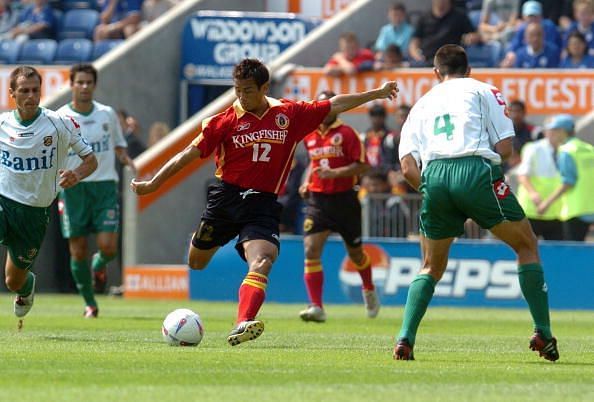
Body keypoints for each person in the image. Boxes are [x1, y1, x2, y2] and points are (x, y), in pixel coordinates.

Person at [131, 58, 398, 346]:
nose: (242, 97)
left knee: (262, 260)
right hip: (225, 200)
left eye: (248, 90)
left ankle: (243, 321)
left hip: (262, 204)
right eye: (237, 90)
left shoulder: (289, 114)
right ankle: (217, 249)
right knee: (196, 263)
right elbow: (187, 155)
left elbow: (334, 104)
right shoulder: (222, 122)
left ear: (264, 87)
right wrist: (154, 183)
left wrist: (377, 93)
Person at [395, 44, 558, 362]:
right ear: (469, 69)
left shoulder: (422, 103)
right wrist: (482, 182)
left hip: (436, 176)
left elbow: (406, 168)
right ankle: (543, 332)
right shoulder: (484, 90)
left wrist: (433, 191)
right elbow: (506, 148)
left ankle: (405, 337)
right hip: (475, 169)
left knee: (430, 266)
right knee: (526, 246)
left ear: (435, 73)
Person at [1, 66, 97, 321]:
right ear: (12, 93)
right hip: (3, 201)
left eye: (35, 90)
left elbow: (90, 160)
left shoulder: (59, 124)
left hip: (34, 212)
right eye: (24, 91)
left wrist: (76, 174)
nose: (31, 96)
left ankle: (26, 287)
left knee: (13, 280)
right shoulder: (2, 123)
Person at [57, 64, 136, 318]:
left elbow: (118, 145)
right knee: (77, 249)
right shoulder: (60, 118)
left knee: (108, 247)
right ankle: (90, 303)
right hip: (73, 189)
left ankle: (99, 264)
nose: (84, 87)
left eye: (88, 83)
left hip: (104, 187)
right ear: (71, 85)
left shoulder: (107, 114)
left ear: (94, 85)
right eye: (79, 82)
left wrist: (126, 159)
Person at [297, 90, 374, 323]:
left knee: (356, 254)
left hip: (345, 201)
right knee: (310, 249)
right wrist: (305, 182)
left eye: (328, 107)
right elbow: (313, 164)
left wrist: (334, 173)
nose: (324, 111)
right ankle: (316, 306)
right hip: (319, 201)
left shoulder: (347, 133)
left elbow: (363, 166)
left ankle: (368, 288)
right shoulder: (309, 134)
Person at [537, 115, 594, 241]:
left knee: (572, 253)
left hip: (575, 210)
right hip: (591, 207)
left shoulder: (566, 151)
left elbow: (568, 182)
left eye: (554, 130)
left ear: (562, 131)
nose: (551, 134)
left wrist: (546, 203)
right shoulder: (589, 148)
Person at [516, 128, 564, 240]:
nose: (556, 133)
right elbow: (522, 175)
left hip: (556, 212)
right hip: (531, 211)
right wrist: (533, 194)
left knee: (557, 254)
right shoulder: (533, 148)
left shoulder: (566, 150)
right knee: (526, 250)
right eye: (552, 129)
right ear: (546, 131)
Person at [408, 0, 478, 67]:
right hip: (427, 61)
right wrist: (417, 56)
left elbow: (473, 35)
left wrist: (470, 38)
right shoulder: (424, 17)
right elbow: (414, 41)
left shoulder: (460, 16)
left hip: (452, 62)